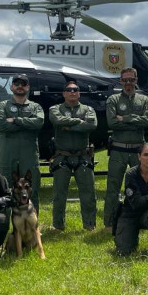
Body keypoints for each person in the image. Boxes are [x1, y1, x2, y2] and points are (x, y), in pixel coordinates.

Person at [103, 67, 148, 229]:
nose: (128, 83)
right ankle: (109, 223)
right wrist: (135, 122)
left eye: (131, 80)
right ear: (120, 81)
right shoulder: (113, 99)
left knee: (141, 187)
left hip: (138, 153)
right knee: (113, 187)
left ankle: (143, 221)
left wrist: (125, 118)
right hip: (118, 151)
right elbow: (112, 123)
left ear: (136, 80)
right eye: (125, 80)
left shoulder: (144, 100)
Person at [49, 81, 98, 231]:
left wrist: (67, 126)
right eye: (69, 90)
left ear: (79, 93)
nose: (72, 92)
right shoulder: (55, 109)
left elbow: (91, 125)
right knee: (59, 195)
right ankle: (58, 225)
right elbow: (56, 121)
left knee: (88, 194)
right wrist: (78, 121)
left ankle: (89, 225)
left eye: (75, 90)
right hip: (61, 156)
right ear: (64, 93)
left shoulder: (88, 109)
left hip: (83, 156)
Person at [0, 73, 44, 208]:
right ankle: (5, 225)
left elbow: (38, 123)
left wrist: (16, 120)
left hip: (29, 156)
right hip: (7, 155)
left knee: (32, 191)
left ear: (28, 87)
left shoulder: (35, 107)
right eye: (17, 84)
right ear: (11, 86)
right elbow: (0, 125)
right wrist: (27, 125)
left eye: (23, 84)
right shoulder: (2, 106)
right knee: (4, 191)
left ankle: (32, 227)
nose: (20, 86)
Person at [113, 143, 148, 256]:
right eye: (146, 155)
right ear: (139, 156)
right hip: (131, 213)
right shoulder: (131, 175)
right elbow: (136, 203)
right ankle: (131, 236)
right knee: (124, 251)